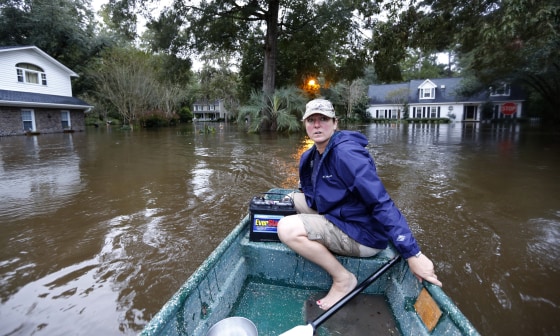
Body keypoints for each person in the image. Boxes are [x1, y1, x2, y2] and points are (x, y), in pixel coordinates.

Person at [277, 98, 442, 311]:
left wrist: (412, 253)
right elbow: (315, 191)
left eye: (323, 119)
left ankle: (343, 279)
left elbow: (380, 202)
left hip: (364, 235)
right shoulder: (316, 154)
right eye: (311, 120)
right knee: (291, 198)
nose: (317, 125)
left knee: (286, 229)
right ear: (305, 124)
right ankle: (313, 232)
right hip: (342, 215)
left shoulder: (347, 154)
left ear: (335, 123)